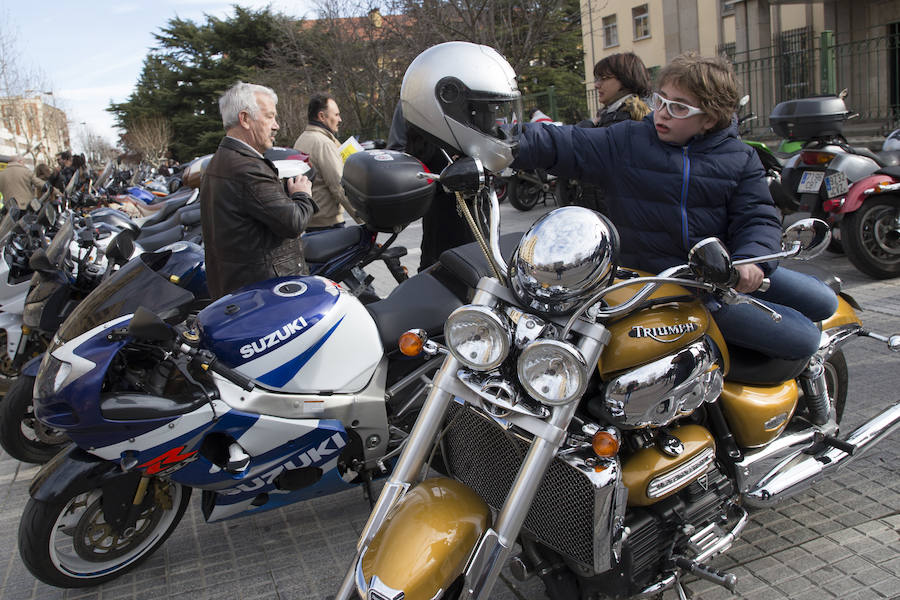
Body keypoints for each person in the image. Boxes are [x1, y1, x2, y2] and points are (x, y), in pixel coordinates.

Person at [512, 51, 837, 361]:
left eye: (679, 108)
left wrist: (751, 262)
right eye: (661, 100)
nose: (663, 113)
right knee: (805, 338)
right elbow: (561, 142)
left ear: (710, 118)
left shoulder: (741, 158)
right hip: (670, 288)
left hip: (719, 276)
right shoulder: (627, 140)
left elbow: (757, 216)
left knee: (824, 300)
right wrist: (499, 141)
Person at [200, 81, 317, 299]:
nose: (276, 126)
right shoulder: (247, 168)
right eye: (269, 116)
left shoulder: (221, 161)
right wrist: (302, 194)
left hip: (240, 291)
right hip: (265, 294)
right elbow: (294, 222)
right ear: (245, 119)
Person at [387, 102, 475, 271]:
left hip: (475, 203)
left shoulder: (467, 92)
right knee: (437, 270)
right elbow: (398, 155)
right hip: (439, 206)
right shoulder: (409, 102)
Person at [575, 53, 652, 215]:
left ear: (624, 80)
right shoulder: (614, 113)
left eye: (603, 78)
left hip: (616, 215)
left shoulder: (624, 119)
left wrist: (589, 126)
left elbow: (592, 154)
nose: (597, 85)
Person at [293, 93, 359, 232]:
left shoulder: (301, 140)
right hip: (328, 223)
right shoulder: (323, 143)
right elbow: (339, 186)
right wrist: (362, 217)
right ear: (322, 116)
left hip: (311, 221)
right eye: (336, 115)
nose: (339, 119)